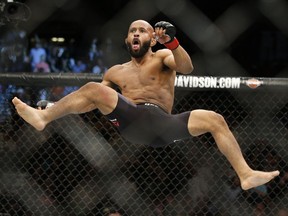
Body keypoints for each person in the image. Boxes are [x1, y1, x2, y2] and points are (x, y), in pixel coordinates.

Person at [12, 20, 279, 190]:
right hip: (131, 122)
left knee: (214, 119)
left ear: (152, 39)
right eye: (132, 31)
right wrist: (57, 106)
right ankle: (44, 118)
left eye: (142, 30)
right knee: (94, 90)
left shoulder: (163, 56)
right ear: (128, 41)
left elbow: (186, 67)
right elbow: (93, 99)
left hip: (164, 123)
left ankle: (245, 174)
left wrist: (173, 43)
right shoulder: (116, 71)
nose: (136, 33)